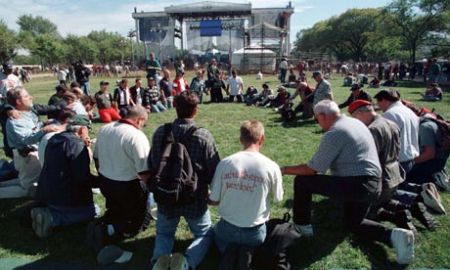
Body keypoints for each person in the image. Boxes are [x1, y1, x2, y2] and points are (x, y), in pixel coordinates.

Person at [282, 100, 415, 265]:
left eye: (317, 119)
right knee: (353, 223)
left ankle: (302, 226)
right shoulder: (355, 123)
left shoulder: (335, 132)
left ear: (323, 116)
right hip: (373, 184)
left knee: (303, 181)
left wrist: (282, 169)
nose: (318, 122)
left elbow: (312, 169)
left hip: (358, 185)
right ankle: (395, 235)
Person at [149, 93, 220, 270]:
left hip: (166, 195)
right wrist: (214, 194)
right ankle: (187, 261)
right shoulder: (203, 136)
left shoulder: (160, 132)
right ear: (196, 110)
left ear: (175, 107)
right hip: (194, 198)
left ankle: (159, 260)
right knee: (204, 234)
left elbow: (152, 164)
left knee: (164, 233)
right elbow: (214, 171)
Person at [209, 120, 283, 254]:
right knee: (249, 250)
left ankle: (231, 254)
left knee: (214, 236)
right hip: (255, 234)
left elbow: (214, 199)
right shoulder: (272, 166)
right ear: (262, 139)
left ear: (241, 139)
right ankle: (247, 254)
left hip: (227, 231)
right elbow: (278, 198)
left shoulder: (225, 163)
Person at [88, 105, 151, 259]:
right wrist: (150, 190)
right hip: (128, 185)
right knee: (139, 221)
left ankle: (103, 224)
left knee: (116, 210)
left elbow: (96, 158)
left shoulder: (105, 129)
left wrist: (105, 174)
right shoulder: (136, 136)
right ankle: (106, 231)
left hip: (106, 182)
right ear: (139, 119)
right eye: (144, 123)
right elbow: (144, 171)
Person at [32, 111, 96, 238]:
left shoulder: (55, 139)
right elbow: (81, 177)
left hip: (46, 192)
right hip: (64, 197)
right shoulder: (76, 144)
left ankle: (46, 211)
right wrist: (101, 181)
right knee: (94, 211)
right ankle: (52, 219)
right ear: (82, 129)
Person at [0, 87, 64, 199]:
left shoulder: (27, 113)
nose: (31, 97)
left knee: (25, 180)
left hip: (31, 156)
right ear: (19, 102)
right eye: (26, 96)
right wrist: (44, 130)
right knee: (27, 189)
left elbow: (33, 128)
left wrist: (43, 124)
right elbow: (26, 139)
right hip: (27, 157)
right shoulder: (16, 119)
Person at [374, 90, 420, 174]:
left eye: (378, 103)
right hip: (411, 159)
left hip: (398, 162)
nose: (379, 106)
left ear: (384, 100)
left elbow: (385, 139)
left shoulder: (390, 114)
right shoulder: (409, 112)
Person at [406, 112, 450, 185]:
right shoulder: (430, 123)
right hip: (438, 161)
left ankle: (434, 179)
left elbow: (429, 154)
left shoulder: (425, 127)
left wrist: (410, 162)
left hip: (432, 163)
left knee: (404, 175)